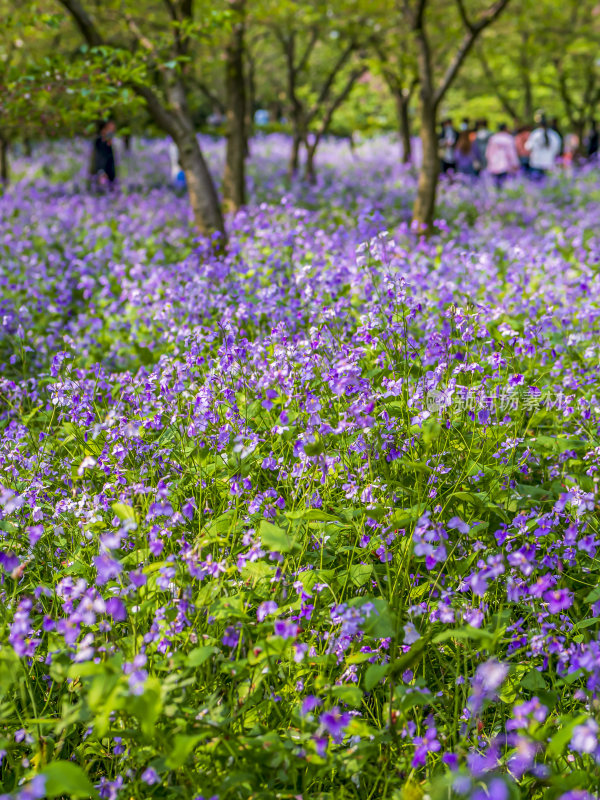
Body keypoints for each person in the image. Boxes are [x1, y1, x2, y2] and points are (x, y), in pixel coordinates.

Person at [525, 115, 562, 179]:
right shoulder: (554, 135)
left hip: (536, 163)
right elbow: (557, 149)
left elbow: (528, 147)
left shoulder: (535, 134)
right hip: (549, 163)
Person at [485, 123, 519, 188]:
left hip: (494, 164)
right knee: (507, 184)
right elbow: (512, 153)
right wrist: (515, 163)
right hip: (506, 164)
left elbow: (488, 153)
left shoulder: (493, 138)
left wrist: (490, 162)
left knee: (497, 184)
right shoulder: (508, 138)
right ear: (505, 129)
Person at [90, 119, 117, 190]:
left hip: (109, 175)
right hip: (103, 175)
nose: (112, 132)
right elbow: (99, 157)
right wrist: (101, 172)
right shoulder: (100, 141)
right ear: (104, 129)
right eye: (111, 130)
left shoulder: (107, 141)